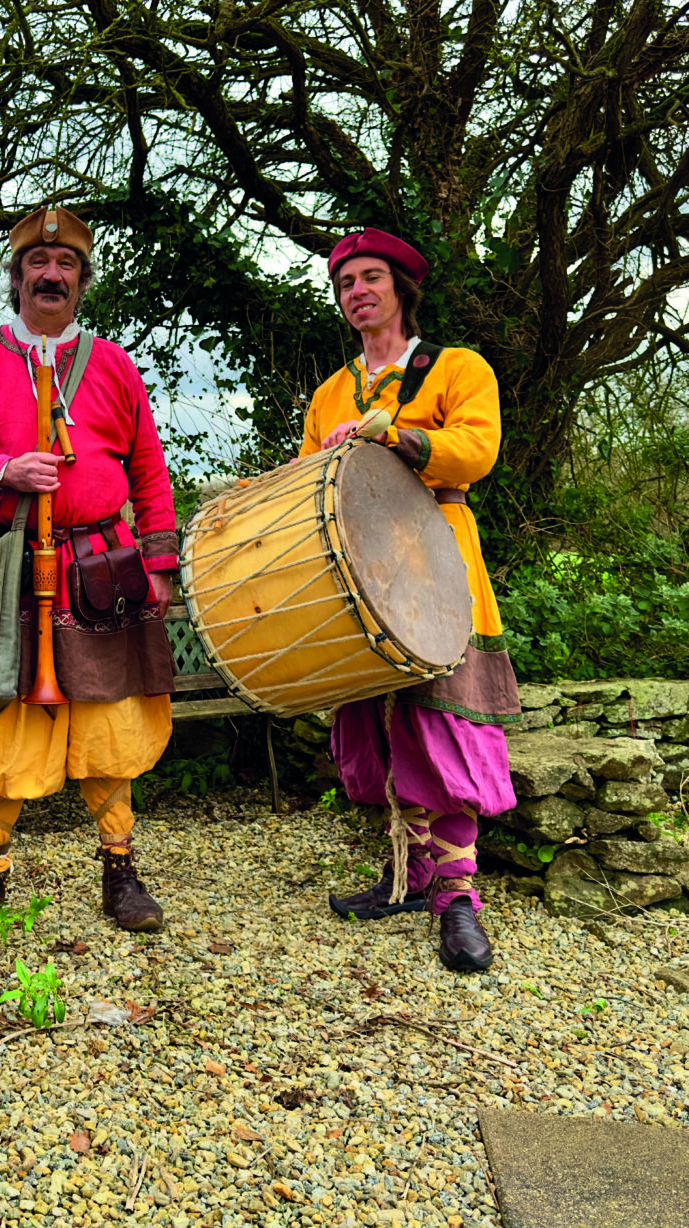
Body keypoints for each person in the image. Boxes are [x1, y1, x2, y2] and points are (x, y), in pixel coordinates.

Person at [0, 205, 179, 940]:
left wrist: (160, 562)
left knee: (108, 717)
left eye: (65, 265)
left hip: (102, 563)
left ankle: (120, 865)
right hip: (12, 560)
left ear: (81, 281)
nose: (51, 274)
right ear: (16, 279)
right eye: (37, 266)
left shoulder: (113, 364)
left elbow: (146, 467)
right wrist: (2, 468)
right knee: (8, 718)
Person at [302, 227, 519, 972]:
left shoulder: (457, 368)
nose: (356, 291)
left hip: (438, 561)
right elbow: (308, 482)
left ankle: (458, 899)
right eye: (344, 283)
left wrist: (399, 437)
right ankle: (409, 876)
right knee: (386, 726)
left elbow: (477, 451)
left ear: (401, 288)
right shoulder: (331, 392)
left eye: (370, 278)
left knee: (441, 723)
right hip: (360, 574)